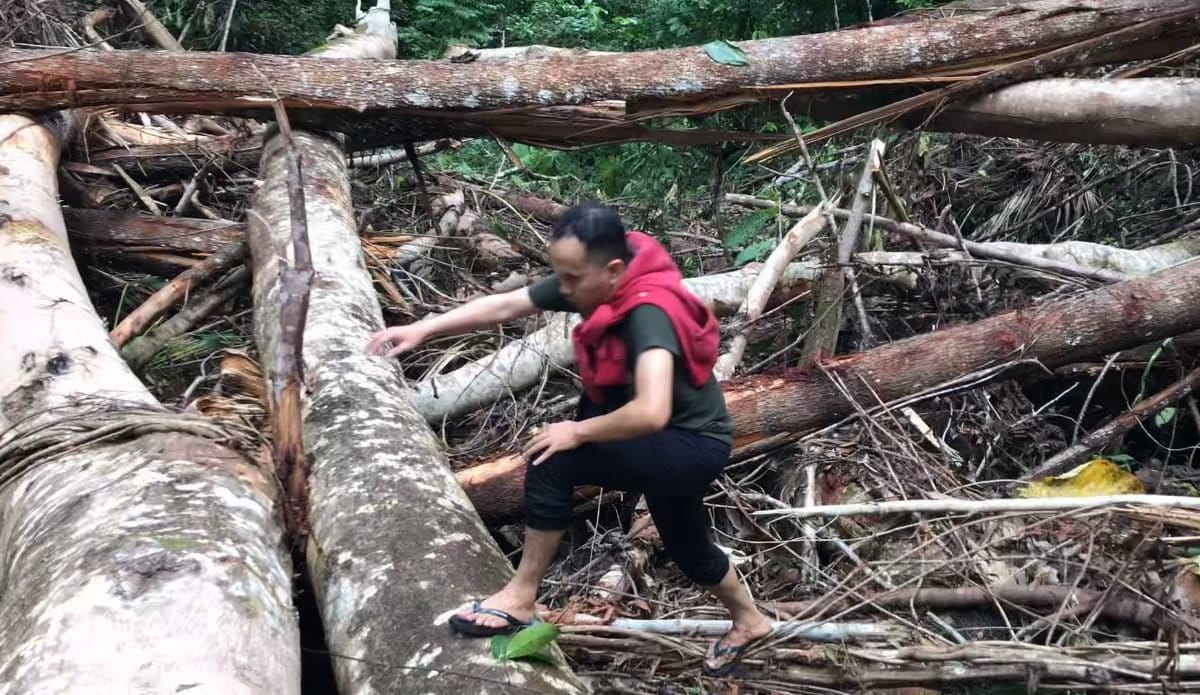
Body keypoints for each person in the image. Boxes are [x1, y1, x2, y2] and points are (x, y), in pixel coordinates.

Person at [366, 202, 772, 676]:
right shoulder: (594, 280)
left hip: (687, 443)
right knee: (688, 548)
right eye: (559, 274)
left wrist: (576, 430)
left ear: (613, 270)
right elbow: (509, 304)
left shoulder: (647, 316)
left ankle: (520, 598)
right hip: (678, 438)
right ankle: (752, 620)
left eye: (572, 278)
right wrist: (424, 327)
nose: (564, 289)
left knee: (552, 460)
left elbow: (652, 408)